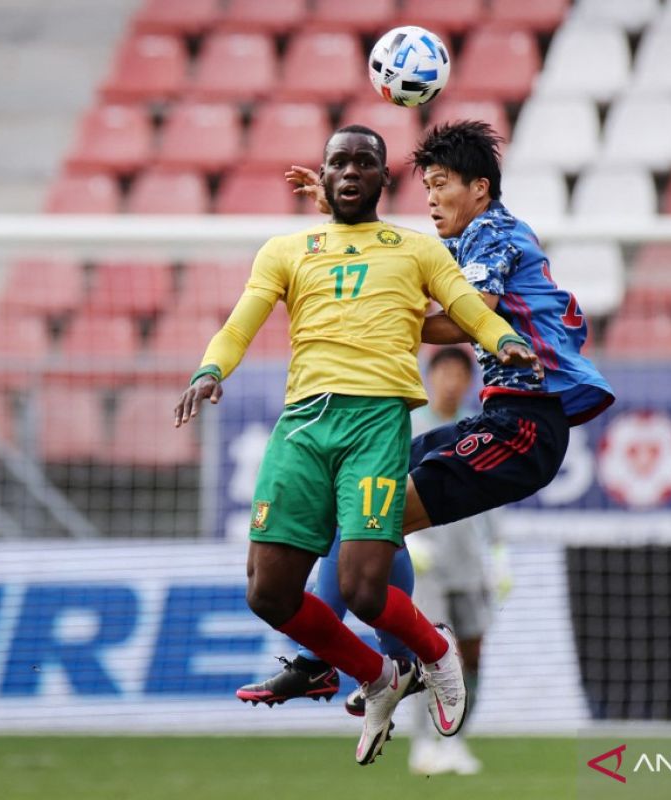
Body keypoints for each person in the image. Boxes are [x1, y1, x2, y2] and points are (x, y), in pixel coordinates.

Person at [174, 124, 541, 765]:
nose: (349, 172)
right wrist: (210, 370)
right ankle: (374, 675)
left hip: (375, 424)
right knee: (267, 593)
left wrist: (500, 337)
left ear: (382, 178)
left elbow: (466, 303)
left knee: (365, 588)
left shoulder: (415, 249)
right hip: (302, 427)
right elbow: (241, 321)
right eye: (338, 162)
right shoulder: (286, 250)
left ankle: (433, 651)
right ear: (325, 173)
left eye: (363, 162)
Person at [240, 120, 616, 719]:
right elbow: (387, 261)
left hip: (526, 427)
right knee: (361, 506)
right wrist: (341, 227)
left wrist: (358, 315)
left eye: (441, 184)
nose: (432, 199)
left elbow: (469, 315)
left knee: (377, 518)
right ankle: (348, 660)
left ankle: (384, 660)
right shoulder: (474, 242)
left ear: (481, 191)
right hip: (498, 417)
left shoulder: (492, 235)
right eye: (427, 187)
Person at [403, 347, 505, 776]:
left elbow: (493, 495)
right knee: (437, 657)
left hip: (470, 562)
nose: (451, 380)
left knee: (474, 657)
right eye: (442, 371)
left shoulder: (478, 429)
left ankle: (457, 740)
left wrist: (499, 554)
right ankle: (424, 744)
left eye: (459, 373)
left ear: (469, 381)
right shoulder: (408, 427)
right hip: (428, 565)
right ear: (430, 376)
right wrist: (404, 543)